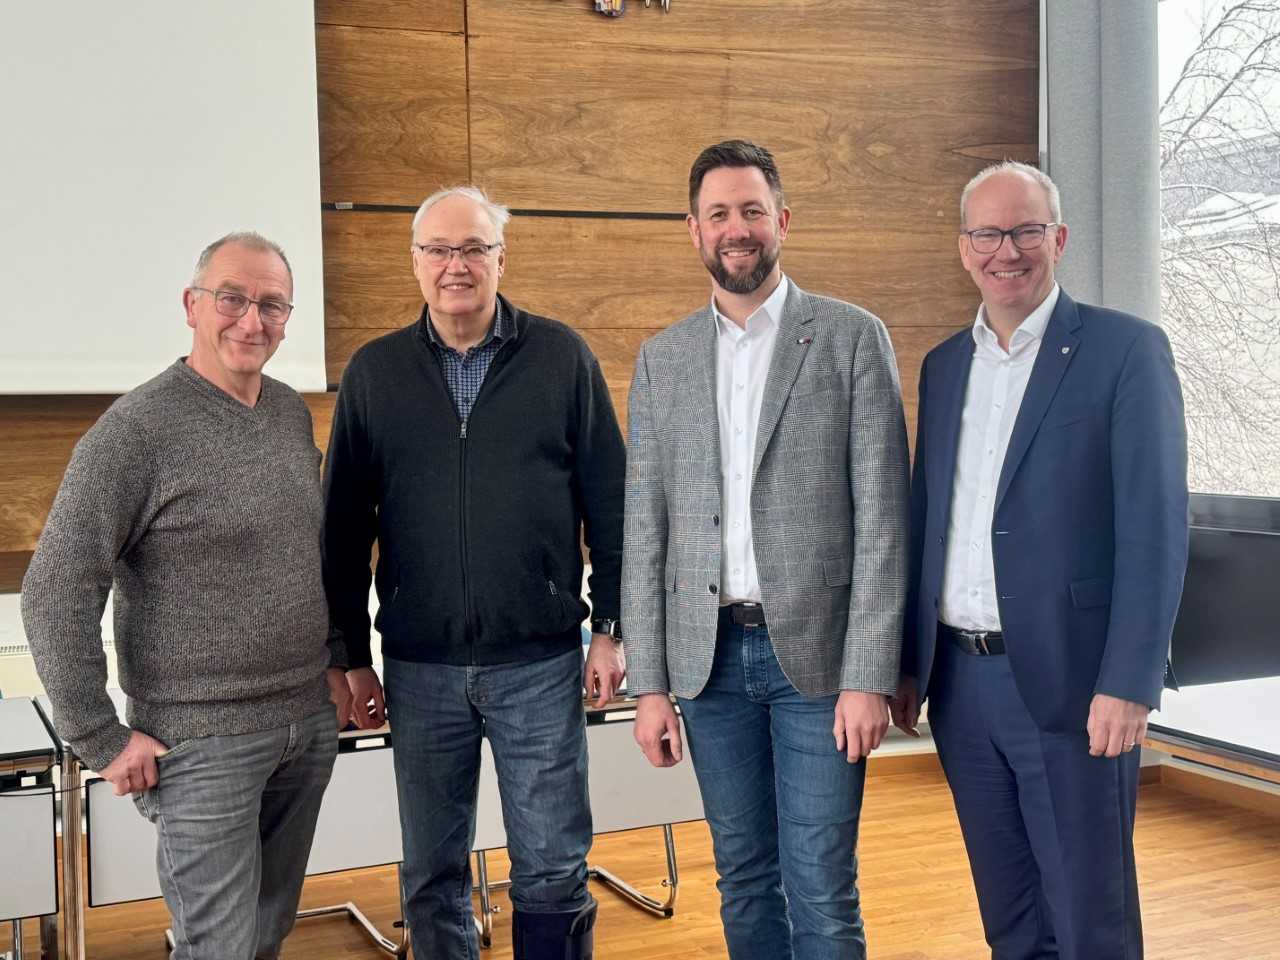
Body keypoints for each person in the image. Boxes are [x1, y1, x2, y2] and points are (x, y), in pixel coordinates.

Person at [22, 232, 351, 960]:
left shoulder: (289, 414)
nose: (251, 320)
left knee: (265, 934)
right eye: (231, 298)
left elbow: (307, 555)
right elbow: (53, 589)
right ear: (192, 305)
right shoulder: (135, 432)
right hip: (200, 746)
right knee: (220, 946)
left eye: (271, 304)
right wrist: (100, 736)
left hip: (303, 725)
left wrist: (334, 664)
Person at [621, 139, 911, 960]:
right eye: (719, 214)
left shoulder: (852, 338)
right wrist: (650, 686)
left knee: (821, 883)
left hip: (817, 669)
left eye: (752, 210)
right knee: (742, 877)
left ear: (782, 220)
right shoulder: (663, 358)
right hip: (707, 664)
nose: (736, 228)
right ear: (693, 231)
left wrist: (868, 675)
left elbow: (884, 521)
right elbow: (645, 526)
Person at [891, 160, 1188, 960]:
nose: (1006, 251)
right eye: (987, 233)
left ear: (1057, 239)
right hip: (961, 686)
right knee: (1011, 919)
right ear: (963, 248)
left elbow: (1155, 530)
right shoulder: (944, 365)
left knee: (1091, 921)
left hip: (1072, 686)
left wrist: (1130, 681)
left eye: (1025, 231)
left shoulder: (1125, 352)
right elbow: (930, 518)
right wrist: (910, 666)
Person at [322, 185, 626, 960]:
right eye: (439, 250)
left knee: (554, 870)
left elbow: (612, 504)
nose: (456, 266)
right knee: (431, 874)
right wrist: (349, 658)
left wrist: (613, 629)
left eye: (473, 249)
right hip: (420, 669)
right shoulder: (374, 374)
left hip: (541, 662)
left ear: (501, 257)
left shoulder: (561, 357)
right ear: (415, 262)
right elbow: (344, 531)